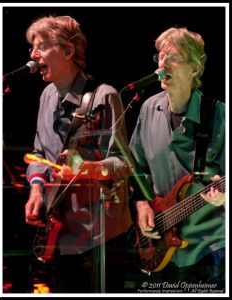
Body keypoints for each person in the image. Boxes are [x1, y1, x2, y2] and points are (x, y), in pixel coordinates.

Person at [24, 15, 135, 293]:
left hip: (99, 238)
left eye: (41, 46)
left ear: (67, 51)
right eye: (31, 49)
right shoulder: (46, 96)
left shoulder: (104, 96)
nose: (33, 55)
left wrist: (87, 170)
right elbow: (39, 153)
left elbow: (124, 164)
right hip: (59, 237)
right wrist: (36, 190)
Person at [129, 27, 225, 292]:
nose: (162, 64)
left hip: (210, 251)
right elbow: (136, 169)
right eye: (159, 57)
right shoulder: (148, 108)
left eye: (171, 58)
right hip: (159, 247)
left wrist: (224, 197)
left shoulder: (219, 116)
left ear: (194, 69)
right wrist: (141, 205)